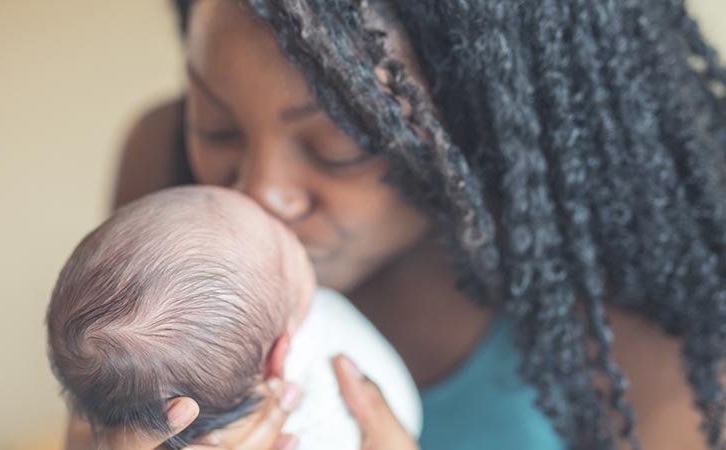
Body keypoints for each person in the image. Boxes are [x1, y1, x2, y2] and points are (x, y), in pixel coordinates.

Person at [68, 0, 726, 449]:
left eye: (338, 149)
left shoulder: (655, 343)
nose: (258, 192)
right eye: (215, 125)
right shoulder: (168, 173)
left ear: (486, 127)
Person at [48, 186, 421, 450]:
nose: (268, 202)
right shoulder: (332, 396)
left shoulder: (112, 422)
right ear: (279, 357)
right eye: (282, 242)